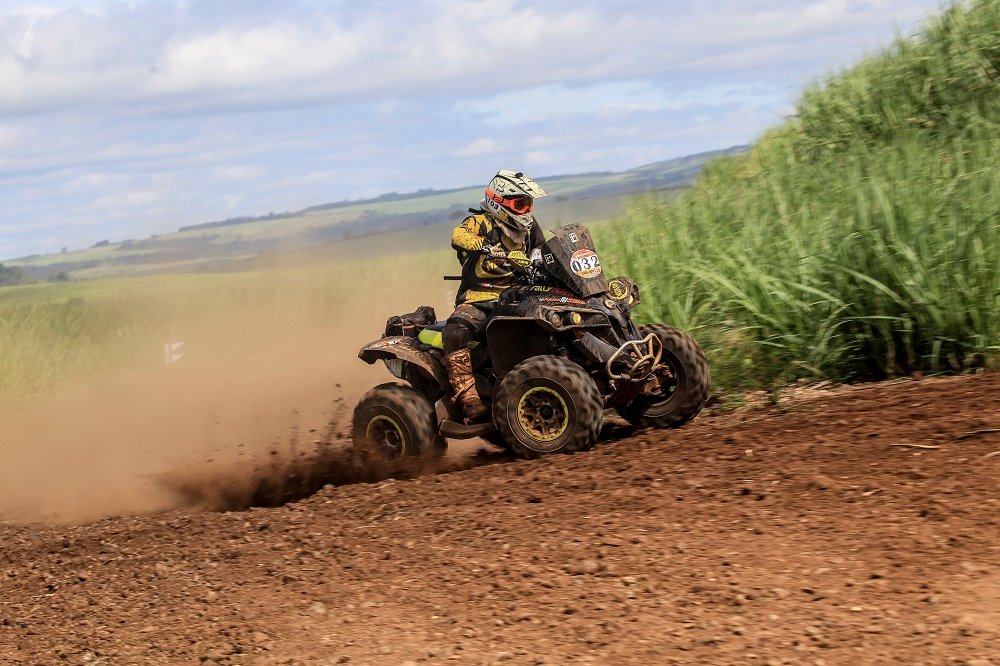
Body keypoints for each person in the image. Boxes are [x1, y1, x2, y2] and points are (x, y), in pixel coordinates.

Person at [442, 170, 548, 421]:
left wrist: (539, 259)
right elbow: (458, 235)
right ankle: (469, 398)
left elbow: (542, 247)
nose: (526, 210)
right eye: (520, 204)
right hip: (480, 297)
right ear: (498, 202)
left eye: (529, 204)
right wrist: (485, 246)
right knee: (455, 332)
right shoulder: (481, 222)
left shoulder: (530, 226)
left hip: (520, 294)